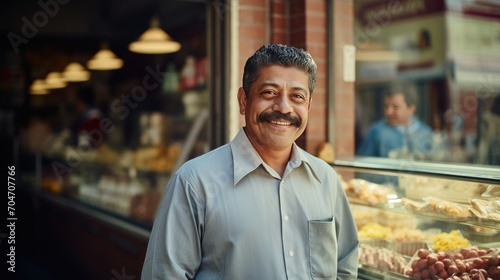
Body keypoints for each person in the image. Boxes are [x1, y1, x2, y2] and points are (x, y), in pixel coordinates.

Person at [141, 44, 359, 279]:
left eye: (297, 96)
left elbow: (345, 264)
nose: (284, 107)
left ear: (308, 106)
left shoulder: (325, 178)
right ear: (243, 101)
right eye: (269, 93)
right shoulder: (194, 183)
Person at [356, 84, 433, 159]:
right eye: (386, 106)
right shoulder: (377, 131)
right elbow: (362, 163)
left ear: (411, 109)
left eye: (395, 107)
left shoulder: (426, 133)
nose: (388, 112)